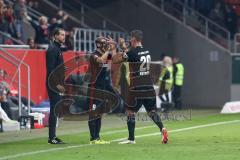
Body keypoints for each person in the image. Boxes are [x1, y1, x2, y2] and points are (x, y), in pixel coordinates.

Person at [112, 30, 168, 144]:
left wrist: (116, 47)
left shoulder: (132, 52)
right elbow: (132, 54)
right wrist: (124, 47)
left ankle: (131, 139)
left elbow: (115, 60)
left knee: (129, 111)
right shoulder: (147, 52)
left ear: (133, 39)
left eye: (131, 39)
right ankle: (163, 129)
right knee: (151, 111)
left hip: (137, 87)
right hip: (148, 85)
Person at [85, 36, 116, 144]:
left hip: (102, 87)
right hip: (94, 87)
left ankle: (97, 137)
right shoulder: (93, 55)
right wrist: (108, 50)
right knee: (93, 112)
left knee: (100, 113)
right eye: (104, 44)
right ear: (98, 45)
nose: (105, 46)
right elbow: (101, 60)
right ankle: (93, 138)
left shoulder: (105, 54)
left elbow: (115, 59)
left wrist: (113, 47)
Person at [46, 28, 66, 144]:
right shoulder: (53, 49)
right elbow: (50, 70)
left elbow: (56, 67)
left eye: (64, 35)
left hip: (56, 83)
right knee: (54, 109)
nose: (64, 37)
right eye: (62, 35)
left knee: (55, 109)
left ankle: (53, 135)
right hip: (53, 84)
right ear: (55, 36)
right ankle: (51, 137)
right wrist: (57, 84)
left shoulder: (57, 48)